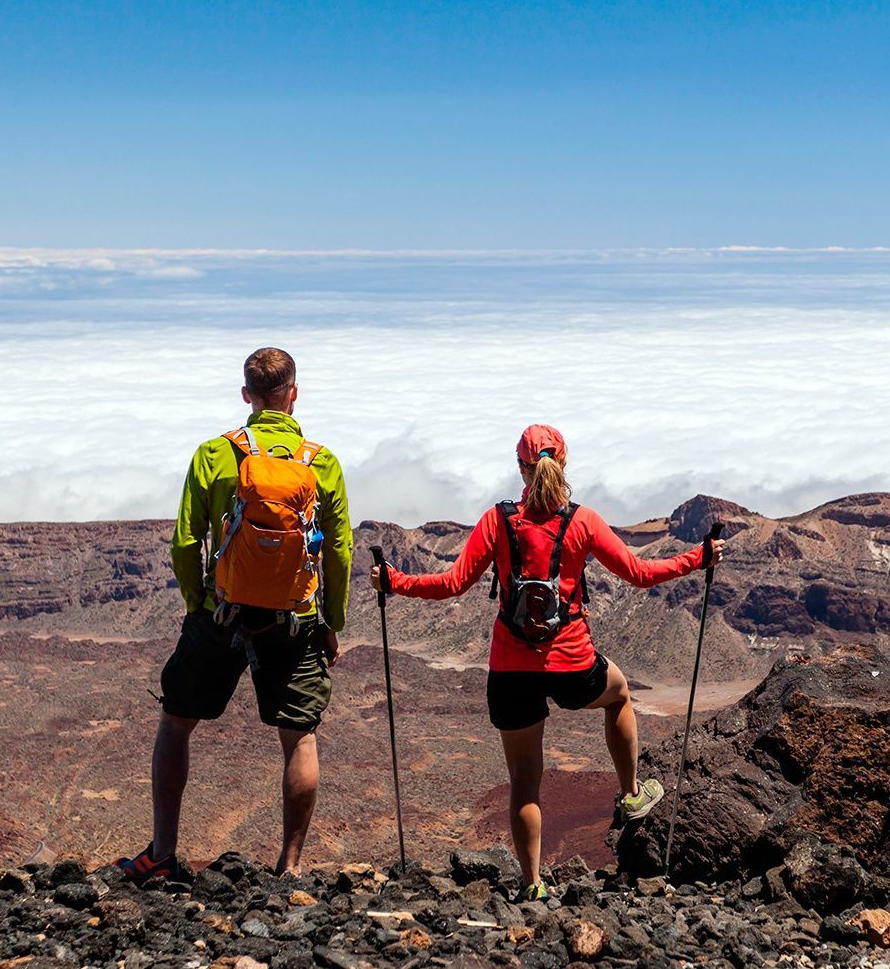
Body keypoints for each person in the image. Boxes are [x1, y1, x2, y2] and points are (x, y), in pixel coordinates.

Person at [370, 424, 722, 901]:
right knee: (618, 694)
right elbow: (639, 574)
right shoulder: (582, 521)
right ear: (564, 464)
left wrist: (394, 581)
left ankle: (532, 885)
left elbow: (453, 583)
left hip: (511, 669)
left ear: (520, 467)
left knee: (524, 782)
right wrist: (697, 558)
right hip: (572, 663)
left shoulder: (498, 520)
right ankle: (632, 794)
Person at [117, 347, 353, 880]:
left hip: (219, 616)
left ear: (246, 395)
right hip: (293, 623)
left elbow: (184, 543)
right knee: (300, 734)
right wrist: (330, 622)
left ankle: (161, 854)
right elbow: (339, 551)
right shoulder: (323, 462)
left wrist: (198, 603)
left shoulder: (213, 454)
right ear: (294, 393)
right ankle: (289, 869)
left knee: (176, 724)